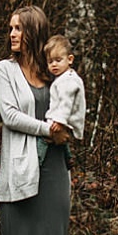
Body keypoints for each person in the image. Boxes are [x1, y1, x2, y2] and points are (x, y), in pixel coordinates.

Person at [0, 5, 74, 235]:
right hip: (21, 167)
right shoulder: (4, 70)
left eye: (19, 28)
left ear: (34, 32)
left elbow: (71, 105)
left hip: (55, 166)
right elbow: (9, 115)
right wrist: (48, 129)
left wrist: (68, 130)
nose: (12, 34)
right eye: (10, 28)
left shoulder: (54, 72)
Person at [41, 34, 86, 162]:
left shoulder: (67, 80)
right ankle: (68, 157)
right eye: (50, 62)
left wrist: (60, 121)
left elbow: (66, 103)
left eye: (58, 60)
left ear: (70, 59)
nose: (54, 65)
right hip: (65, 120)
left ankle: (39, 160)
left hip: (66, 121)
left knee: (42, 138)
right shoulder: (65, 77)